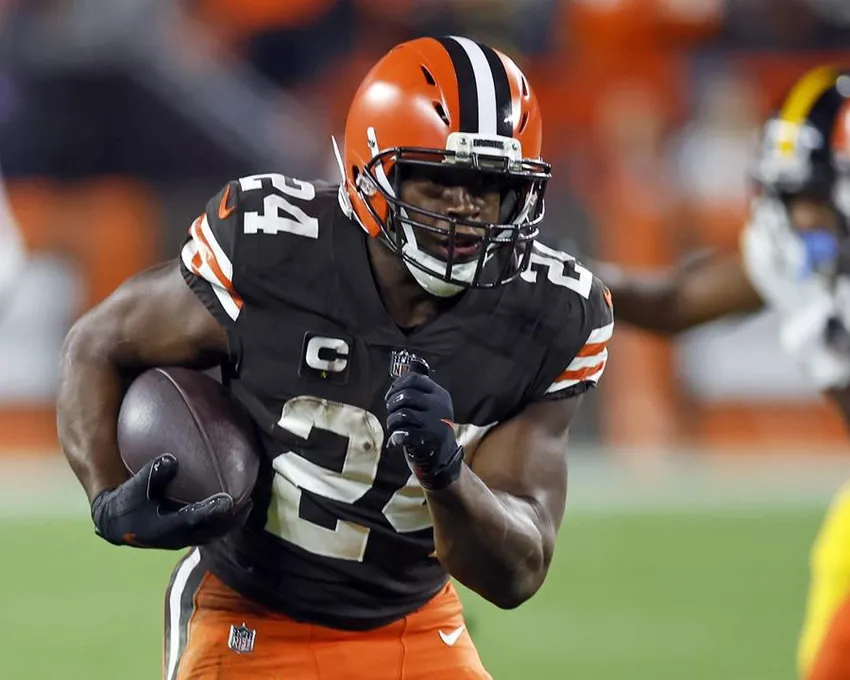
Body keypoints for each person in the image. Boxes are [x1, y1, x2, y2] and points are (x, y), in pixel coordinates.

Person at [57, 36, 613, 680]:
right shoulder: (275, 252)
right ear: (369, 171)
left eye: (489, 186)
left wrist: (447, 471)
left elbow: (518, 572)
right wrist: (104, 490)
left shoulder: (551, 314)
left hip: (416, 622)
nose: (466, 210)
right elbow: (96, 344)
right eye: (438, 179)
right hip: (247, 612)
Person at [599, 65, 850, 680]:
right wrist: (562, 275)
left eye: (812, 200)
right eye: (788, 199)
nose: (798, 223)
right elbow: (679, 302)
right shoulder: (796, 248)